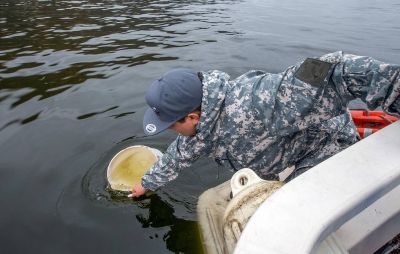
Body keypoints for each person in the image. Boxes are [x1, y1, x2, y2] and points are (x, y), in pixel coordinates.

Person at [131, 51, 400, 198]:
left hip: (325, 147)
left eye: (171, 125)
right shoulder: (200, 128)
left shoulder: (258, 100)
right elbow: (179, 155)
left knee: (289, 214)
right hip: (286, 157)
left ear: (192, 117)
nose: (172, 132)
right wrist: (146, 183)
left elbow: (339, 71)